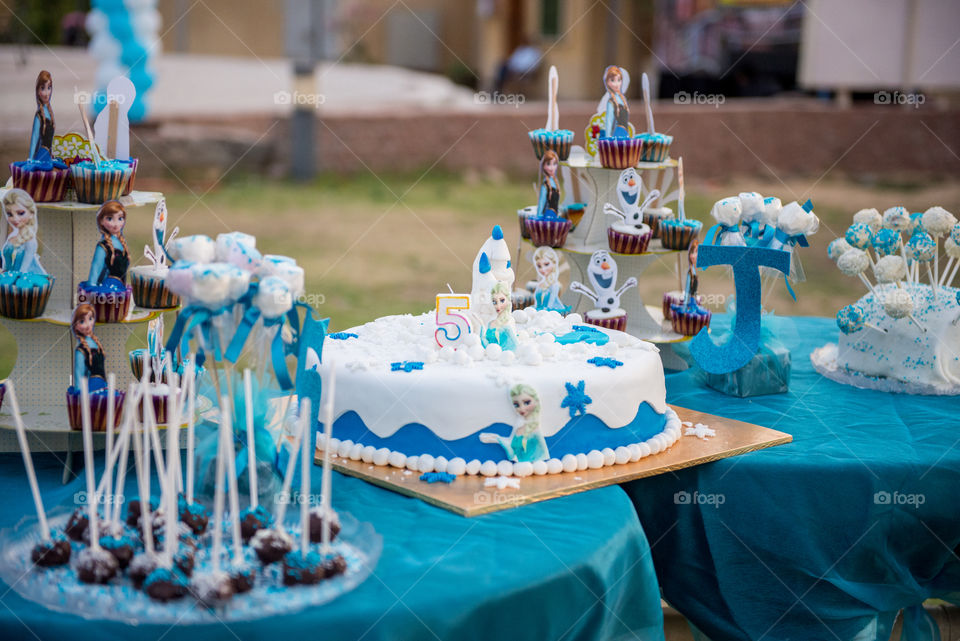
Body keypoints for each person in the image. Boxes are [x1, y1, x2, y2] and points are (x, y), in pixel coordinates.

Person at [479, 384, 550, 462]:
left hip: (537, 469)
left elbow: (544, 457)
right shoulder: (518, 430)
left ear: (536, 401)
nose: (522, 408)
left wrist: (499, 440)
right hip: (519, 470)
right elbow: (512, 456)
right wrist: (498, 439)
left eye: (527, 402)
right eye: (516, 405)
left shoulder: (535, 429)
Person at [1, 189, 45, 274]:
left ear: (31, 214)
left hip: (25, 281)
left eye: (20, 213)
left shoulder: (30, 241)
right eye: (10, 214)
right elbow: (6, 266)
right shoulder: (11, 237)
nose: (15, 219)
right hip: (10, 279)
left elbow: (24, 270)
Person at [88, 200, 130, 287]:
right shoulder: (103, 247)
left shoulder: (122, 243)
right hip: (105, 291)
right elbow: (95, 270)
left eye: (120, 218)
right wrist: (92, 288)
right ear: (101, 221)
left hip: (120, 290)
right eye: (110, 219)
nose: (116, 224)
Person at [71, 304, 107, 391]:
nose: (88, 325)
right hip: (90, 390)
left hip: (103, 386)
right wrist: (79, 396)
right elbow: (79, 375)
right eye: (82, 321)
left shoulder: (96, 343)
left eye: (90, 319)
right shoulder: (80, 350)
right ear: (75, 326)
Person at [532, 246, 571, 313]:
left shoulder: (554, 285)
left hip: (553, 313)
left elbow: (550, 305)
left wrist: (542, 313)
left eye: (546, 264)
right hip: (541, 312)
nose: (543, 269)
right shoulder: (540, 285)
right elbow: (538, 304)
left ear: (554, 263)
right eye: (539, 266)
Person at [482, 281, 518, 351]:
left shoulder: (510, 321)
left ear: (508, 300)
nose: (498, 306)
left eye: (502, 300)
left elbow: (515, 346)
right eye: (494, 302)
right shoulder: (490, 323)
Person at [29, 70, 55, 161]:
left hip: (49, 154)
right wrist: (30, 158)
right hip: (41, 154)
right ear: (38, 91)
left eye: (49, 88)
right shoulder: (39, 116)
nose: (46, 93)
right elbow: (34, 138)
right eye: (43, 88)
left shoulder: (50, 113)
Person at [601, 66, 630, 138]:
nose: (616, 84)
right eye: (613, 80)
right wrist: (607, 138)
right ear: (607, 82)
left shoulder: (622, 99)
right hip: (617, 133)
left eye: (619, 80)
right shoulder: (611, 101)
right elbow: (609, 121)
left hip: (625, 133)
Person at [536, 150, 561, 219]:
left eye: (554, 164)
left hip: (554, 216)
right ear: (543, 166)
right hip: (546, 217)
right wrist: (538, 218)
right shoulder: (545, 185)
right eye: (548, 164)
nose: (552, 167)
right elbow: (541, 203)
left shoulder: (555, 182)